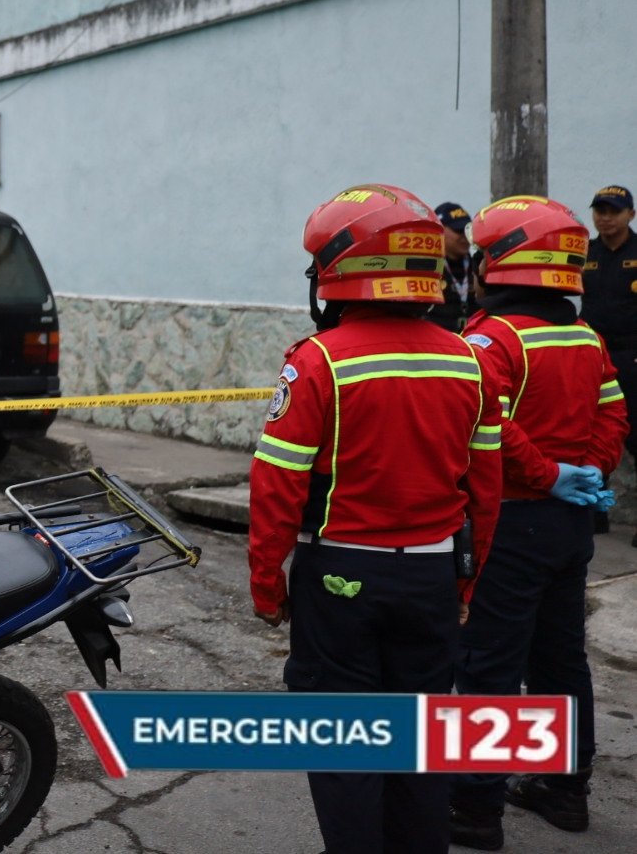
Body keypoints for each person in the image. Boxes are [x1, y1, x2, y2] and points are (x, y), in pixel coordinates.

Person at [249, 183, 501, 854]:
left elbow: (276, 486)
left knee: (343, 741)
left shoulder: (318, 361)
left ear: (341, 275)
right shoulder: (469, 359)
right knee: (418, 738)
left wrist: (266, 583)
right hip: (432, 577)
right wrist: (466, 582)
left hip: (341, 578)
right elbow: (486, 490)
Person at [449, 197, 630, 849]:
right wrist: (587, 471)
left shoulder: (490, 339)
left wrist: (546, 472)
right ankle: (564, 787)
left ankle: (473, 806)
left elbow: (488, 426)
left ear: (495, 263)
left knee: (488, 663)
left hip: (508, 521)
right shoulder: (586, 337)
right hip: (570, 525)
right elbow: (614, 415)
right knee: (561, 658)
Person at [580, 184, 637, 542]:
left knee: (636, 437)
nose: (605, 217)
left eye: (613, 210)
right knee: (592, 432)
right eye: (600, 210)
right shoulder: (587, 252)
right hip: (593, 356)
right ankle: (596, 513)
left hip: (632, 356)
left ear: (630, 214)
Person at [430, 201, 475, 332]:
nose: (465, 237)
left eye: (467, 230)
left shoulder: (479, 266)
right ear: (440, 230)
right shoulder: (428, 269)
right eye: (458, 230)